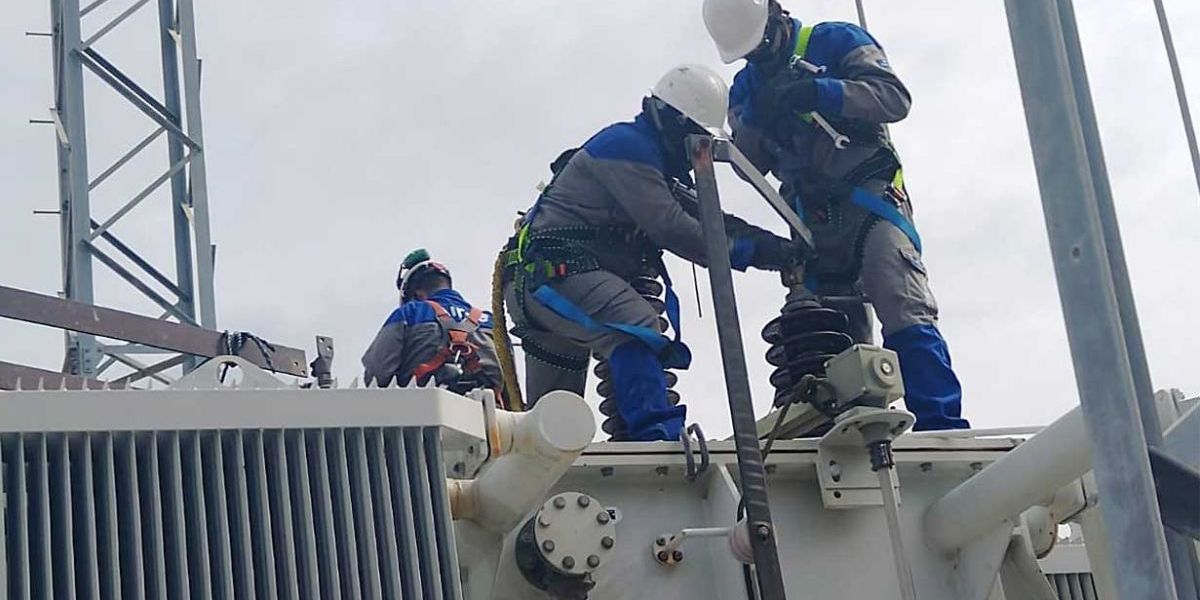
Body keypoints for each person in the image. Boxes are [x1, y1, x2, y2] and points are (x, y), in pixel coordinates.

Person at [702, 0, 969, 430]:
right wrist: (755, 122)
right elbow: (748, 161)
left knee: (900, 300)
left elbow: (894, 98)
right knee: (829, 334)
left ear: (776, 15)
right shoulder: (746, 87)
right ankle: (856, 429)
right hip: (809, 217)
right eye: (748, 52)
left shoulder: (834, 41)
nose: (758, 56)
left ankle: (940, 426)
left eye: (760, 44)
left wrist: (823, 92)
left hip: (869, 197)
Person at [501, 64, 795, 441]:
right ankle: (657, 435)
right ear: (678, 124)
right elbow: (671, 225)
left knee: (552, 424)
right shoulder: (627, 147)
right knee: (635, 325)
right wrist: (749, 252)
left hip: (544, 287)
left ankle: (543, 474)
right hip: (557, 275)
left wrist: (775, 248)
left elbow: (710, 217)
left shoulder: (649, 159)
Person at [362, 249, 504, 404]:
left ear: (416, 295)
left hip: (422, 416)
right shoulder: (490, 321)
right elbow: (510, 381)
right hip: (489, 419)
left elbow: (377, 375)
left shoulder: (409, 312)